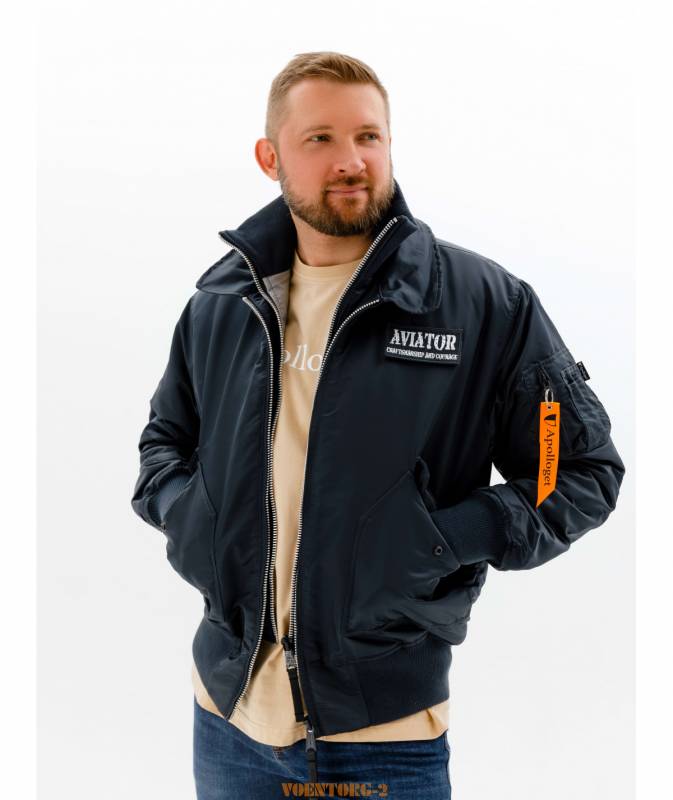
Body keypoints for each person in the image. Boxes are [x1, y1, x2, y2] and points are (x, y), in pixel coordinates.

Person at [131, 51, 625, 799]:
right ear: (270, 157)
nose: (351, 160)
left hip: (383, 739)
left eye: (368, 136)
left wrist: (444, 537)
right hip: (227, 721)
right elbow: (163, 445)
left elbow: (578, 472)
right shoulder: (223, 303)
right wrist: (192, 516)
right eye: (320, 139)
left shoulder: (478, 302)